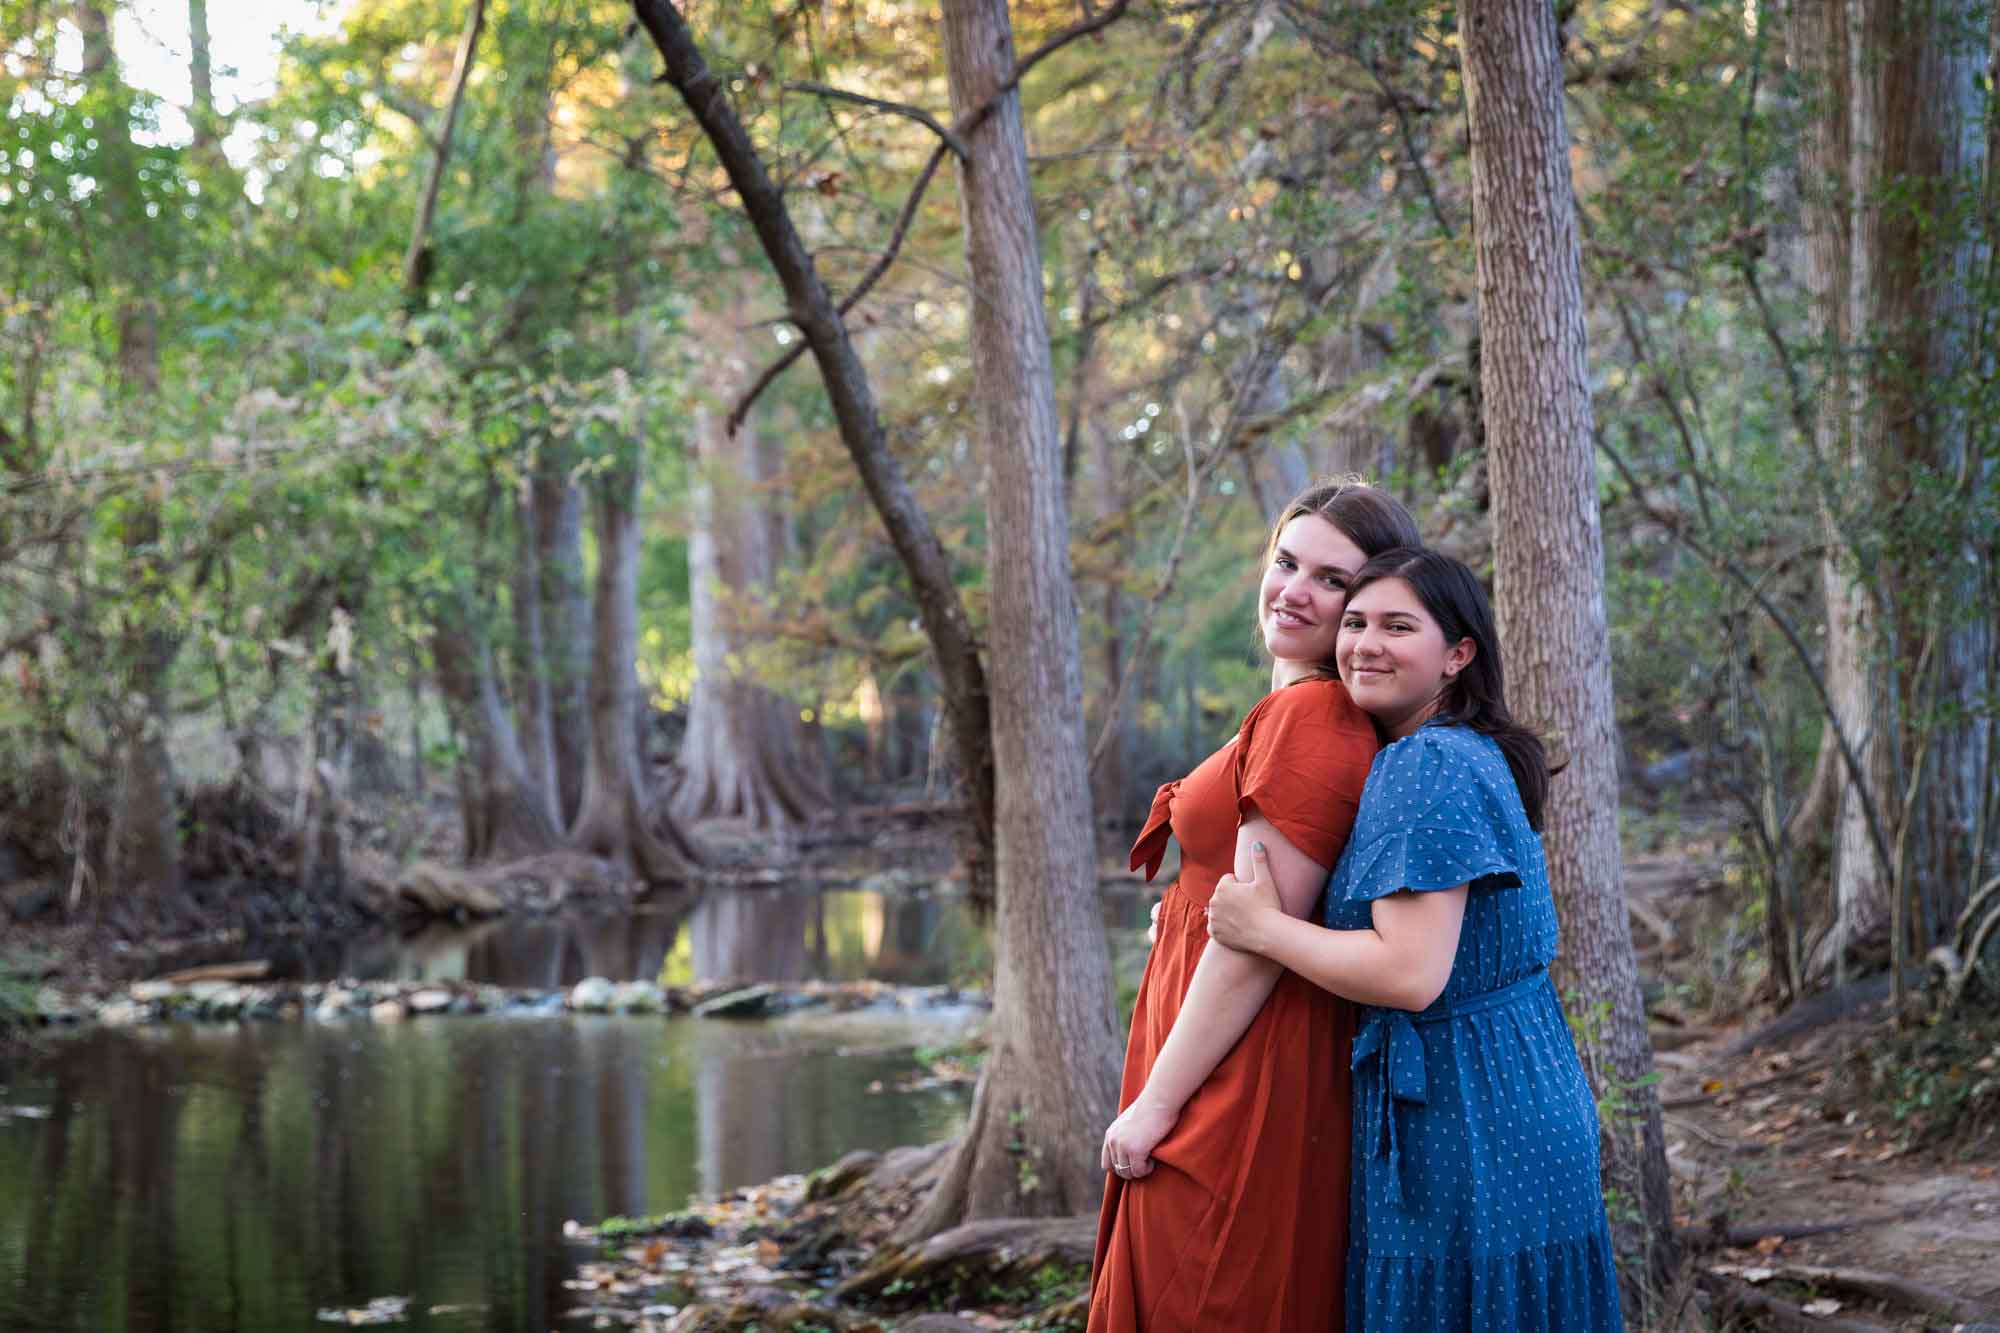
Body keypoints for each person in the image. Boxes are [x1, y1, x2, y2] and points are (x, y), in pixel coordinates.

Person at [1205, 547, 1624, 1331]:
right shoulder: (1469, 750)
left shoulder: (1422, 764)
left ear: (1458, 653)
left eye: (1399, 626)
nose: (1366, 643)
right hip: (1520, 1082)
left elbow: (1409, 970)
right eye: (1356, 622)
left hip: (1463, 1107)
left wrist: (1265, 927)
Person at [1086, 478, 1422, 1333]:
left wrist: (1159, 1103)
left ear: (1370, 601)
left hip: (1237, 1071)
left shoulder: (1311, 717)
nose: (1295, 589)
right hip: (1214, 1048)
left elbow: (1256, 941)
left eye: (1331, 579)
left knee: (1197, 1294)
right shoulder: (1285, 710)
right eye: (1286, 561)